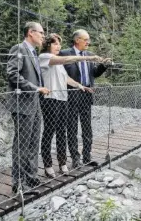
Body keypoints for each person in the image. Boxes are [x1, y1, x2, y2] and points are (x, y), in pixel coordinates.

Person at [38, 33, 103, 178]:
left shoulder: (58, 63)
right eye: (55, 44)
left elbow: (66, 78)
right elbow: (67, 58)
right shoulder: (45, 58)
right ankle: (48, 165)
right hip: (50, 99)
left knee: (62, 132)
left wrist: (81, 86)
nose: (58, 47)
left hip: (62, 99)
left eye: (59, 44)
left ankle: (62, 163)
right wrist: (87, 57)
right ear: (48, 45)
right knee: (49, 132)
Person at [7, 21, 50, 194]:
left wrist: (38, 90)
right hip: (23, 104)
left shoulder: (33, 52)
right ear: (31, 33)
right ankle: (18, 183)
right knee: (21, 145)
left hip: (34, 103)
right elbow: (12, 74)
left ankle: (31, 178)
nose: (43, 36)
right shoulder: (19, 49)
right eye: (41, 33)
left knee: (33, 143)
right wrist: (35, 88)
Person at [59, 29, 112, 168]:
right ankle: (75, 159)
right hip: (71, 95)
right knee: (71, 128)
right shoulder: (65, 54)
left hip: (87, 94)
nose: (88, 42)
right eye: (86, 39)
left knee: (87, 127)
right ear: (77, 40)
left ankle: (87, 157)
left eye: (88, 39)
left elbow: (94, 73)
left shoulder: (89, 55)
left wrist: (103, 65)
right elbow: (61, 75)